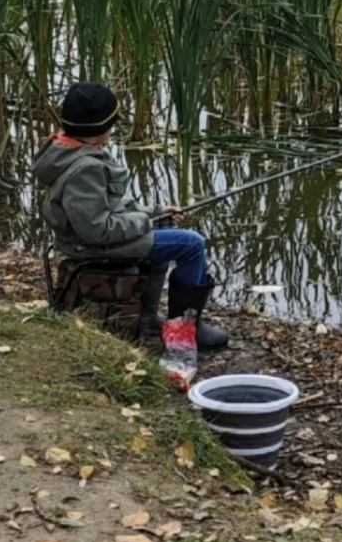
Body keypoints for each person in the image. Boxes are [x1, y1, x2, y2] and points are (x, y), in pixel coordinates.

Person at [31, 83, 229, 350]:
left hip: (86, 240)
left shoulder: (67, 151)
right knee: (191, 244)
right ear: (100, 128)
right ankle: (186, 329)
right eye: (112, 123)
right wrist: (145, 223)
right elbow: (97, 230)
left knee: (168, 233)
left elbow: (108, 207)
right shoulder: (85, 169)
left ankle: (145, 320)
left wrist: (155, 213)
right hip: (90, 246)